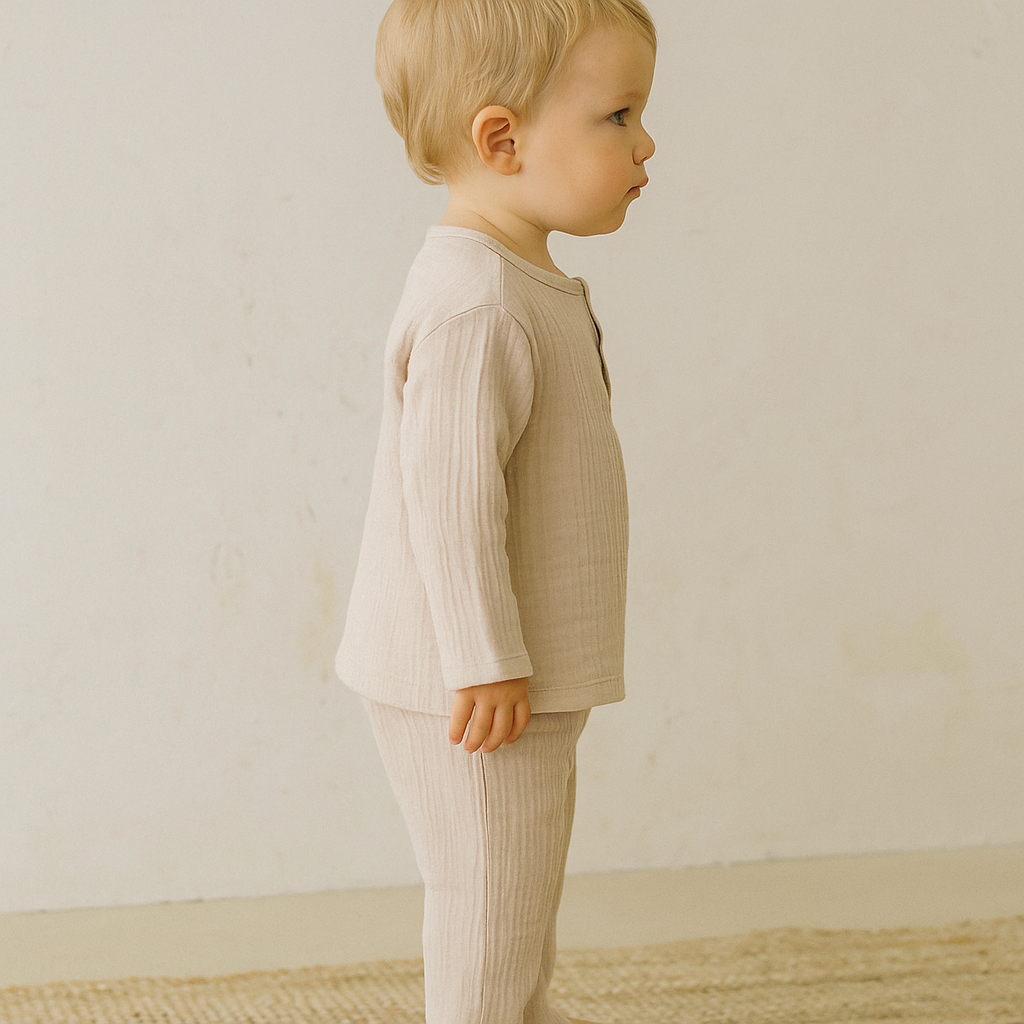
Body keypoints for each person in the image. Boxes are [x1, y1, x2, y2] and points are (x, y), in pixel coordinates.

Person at [336, 1, 656, 1021]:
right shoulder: (479, 304)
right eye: (618, 116)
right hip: (474, 683)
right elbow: (448, 496)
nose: (646, 143)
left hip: (508, 670)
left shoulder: (512, 280)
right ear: (501, 139)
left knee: (513, 899)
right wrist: (482, 655)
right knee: (485, 904)